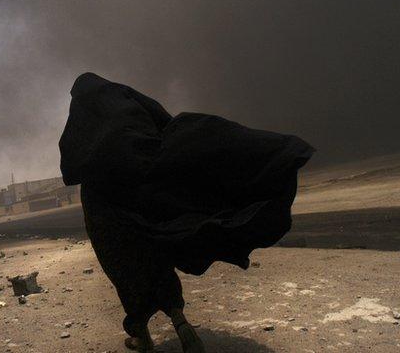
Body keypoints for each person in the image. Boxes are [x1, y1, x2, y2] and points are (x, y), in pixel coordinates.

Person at [59, 73, 314, 352]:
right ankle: (177, 317)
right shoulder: (128, 99)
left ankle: (141, 334)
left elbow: (71, 166)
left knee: (125, 268)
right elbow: (165, 122)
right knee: (157, 254)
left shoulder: (85, 126)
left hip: (108, 203)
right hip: (149, 188)